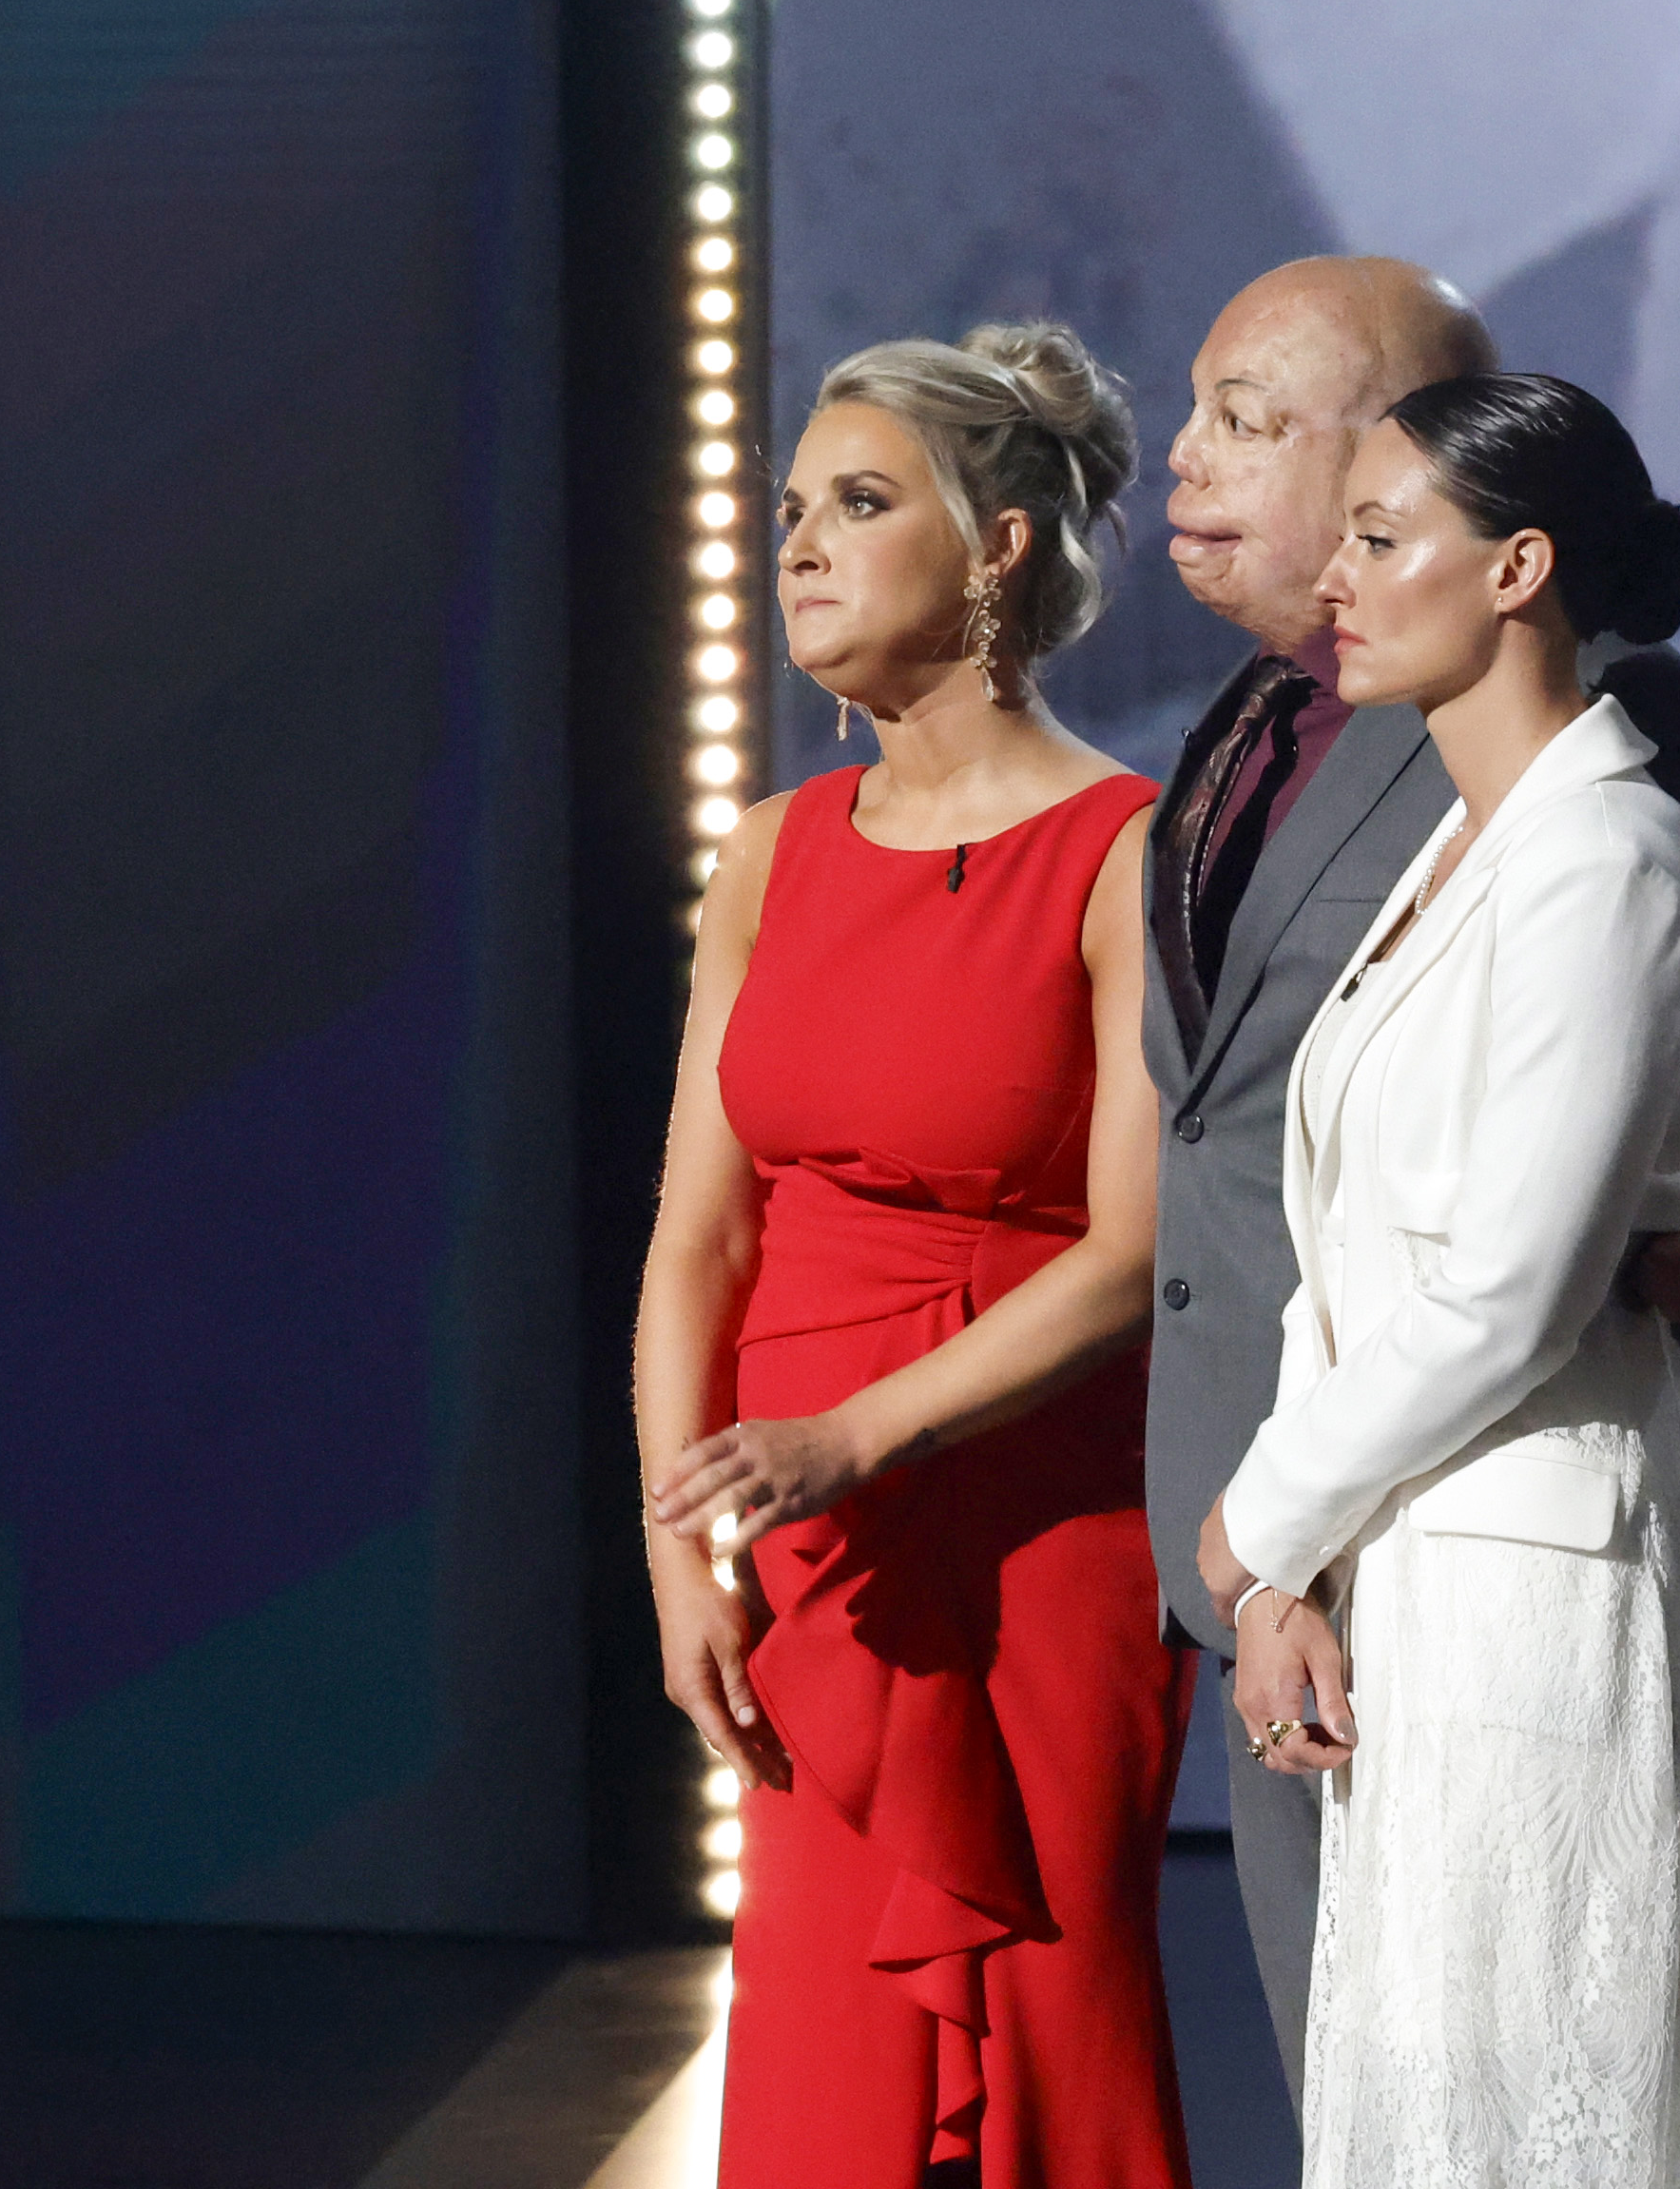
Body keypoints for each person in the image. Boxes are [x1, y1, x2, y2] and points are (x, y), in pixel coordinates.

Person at [1141, 258, 1680, 2105]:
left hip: (1480, 1509)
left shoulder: (1614, 775)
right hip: (1296, 1532)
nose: (1185, 460)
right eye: (1197, 407)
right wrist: (1258, 1540)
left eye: (1252, 423)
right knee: (1381, 2084)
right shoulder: (1243, 734)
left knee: (1547, 2078)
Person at [642, 322, 1197, 2187]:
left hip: (1038, 1525)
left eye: (859, 503)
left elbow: (1132, 1254)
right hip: (815, 1556)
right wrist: (678, 1558)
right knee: (823, 2043)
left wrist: (854, 1439)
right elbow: (698, 1241)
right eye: (792, 508)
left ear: (999, 550)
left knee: (1052, 2010)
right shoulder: (768, 856)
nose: (796, 543)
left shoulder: (1127, 848)